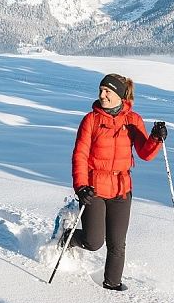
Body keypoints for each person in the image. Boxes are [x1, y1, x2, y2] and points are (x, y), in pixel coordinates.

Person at [66, 73, 167, 291]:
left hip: (122, 189)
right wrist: (81, 186)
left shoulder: (133, 120)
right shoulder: (91, 120)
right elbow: (80, 156)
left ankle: (112, 286)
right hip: (94, 189)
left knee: (117, 244)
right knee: (94, 242)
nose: (102, 95)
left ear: (120, 95)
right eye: (100, 90)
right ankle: (68, 237)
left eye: (107, 91)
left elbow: (145, 153)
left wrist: (156, 139)